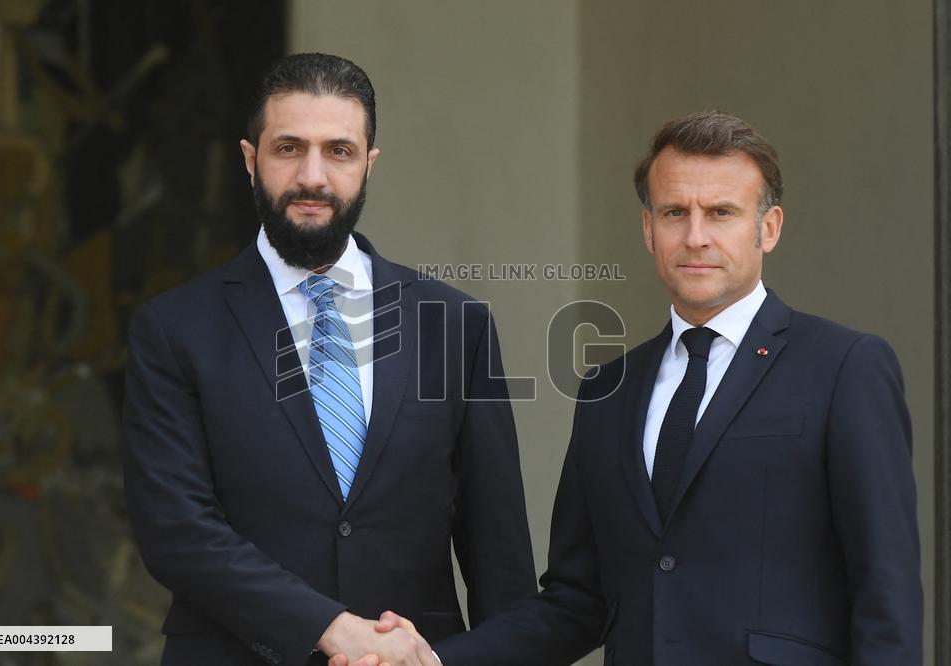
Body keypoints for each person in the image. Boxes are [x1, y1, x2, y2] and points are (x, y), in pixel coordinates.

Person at [337, 110, 923, 665]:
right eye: (674, 213)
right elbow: (577, 600)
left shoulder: (845, 366)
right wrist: (437, 658)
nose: (695, 236)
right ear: (648, 228)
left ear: (767, 228)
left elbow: (885, 588)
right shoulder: (608, 388)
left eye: (721, 213)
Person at [121, 52, 536, 666]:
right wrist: (331, 627)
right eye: (289, 148)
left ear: (368, 165)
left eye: (338, 152)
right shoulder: (173, 329)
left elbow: (498, 551)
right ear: (249, 159)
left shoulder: (454, 324)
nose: (312, 176)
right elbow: (178, 532)